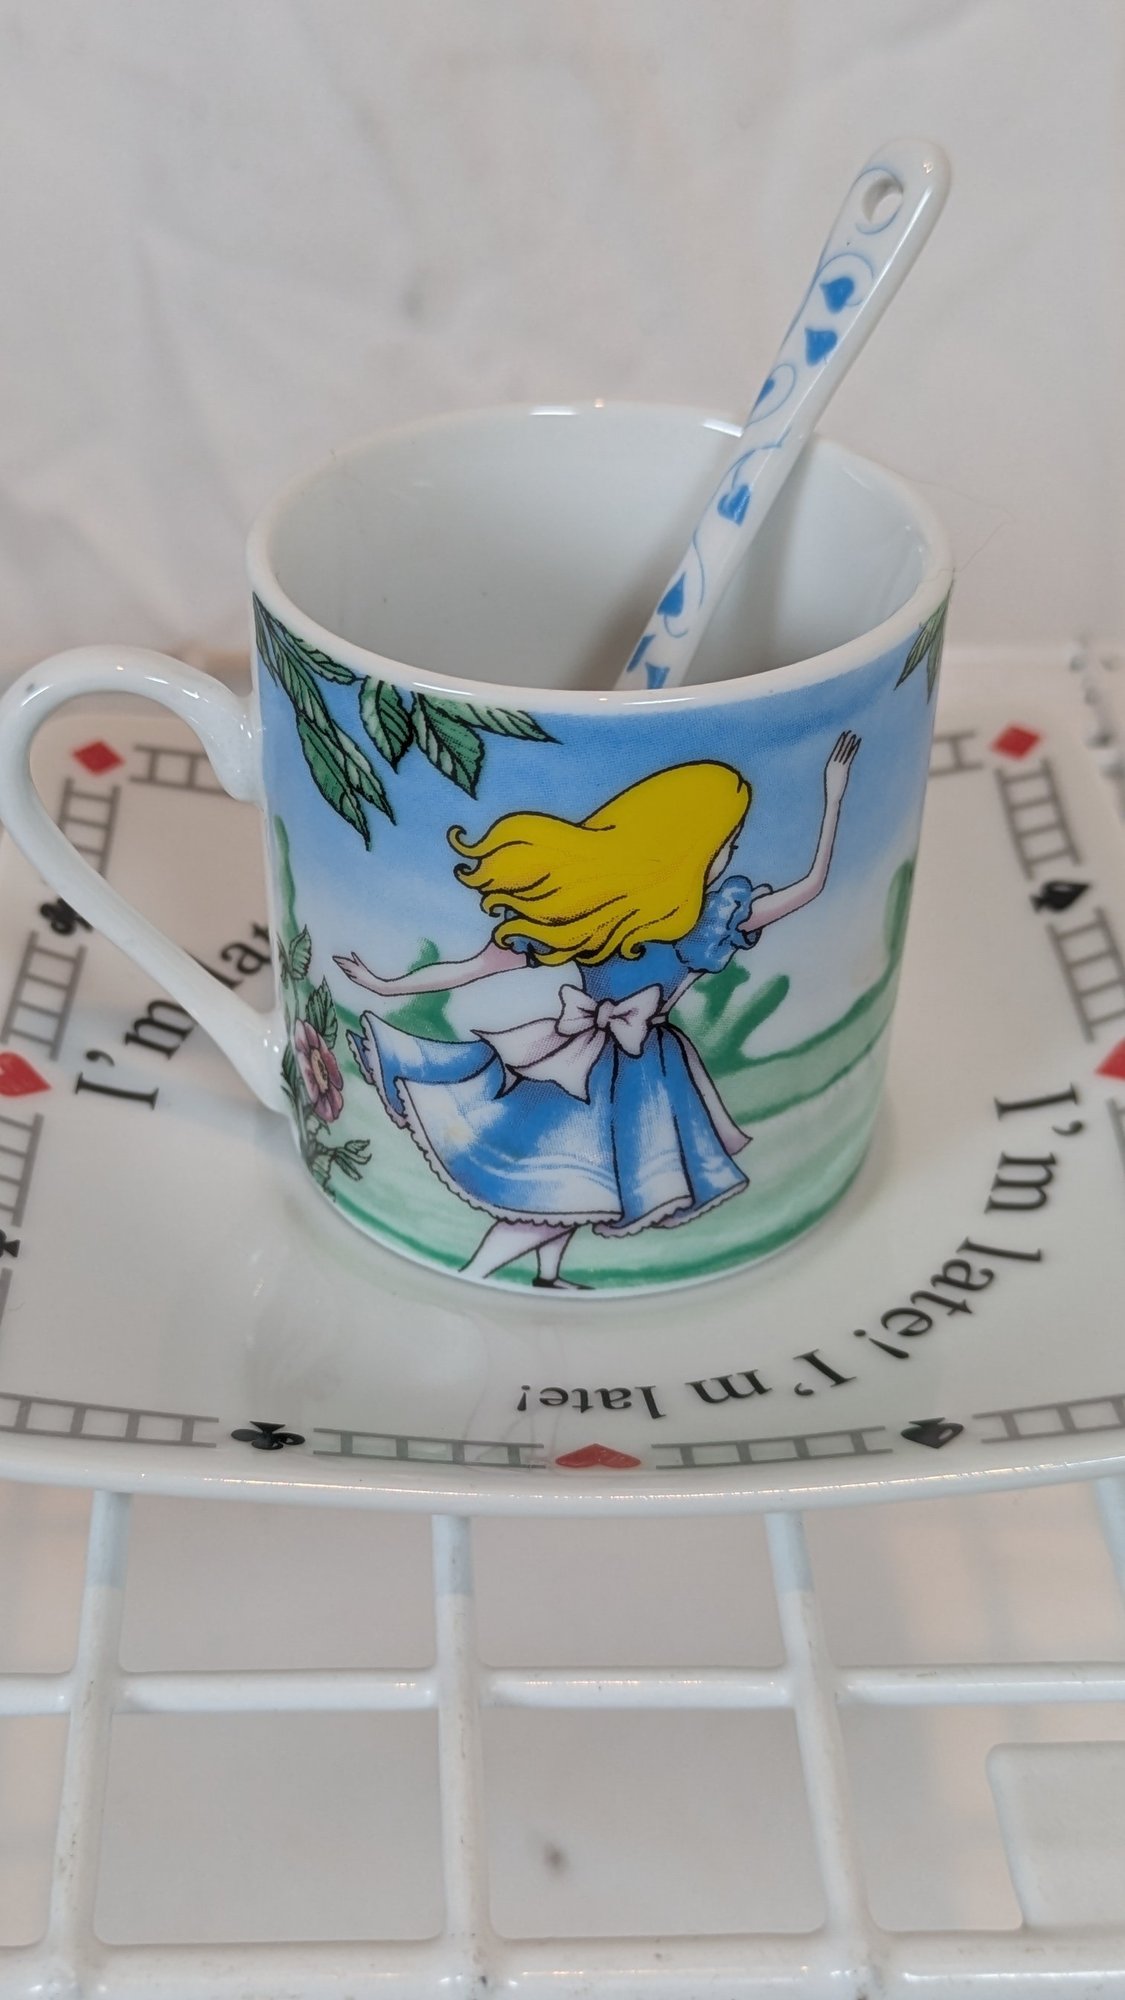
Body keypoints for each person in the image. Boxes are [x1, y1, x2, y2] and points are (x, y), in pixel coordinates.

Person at [335, 731, 859, 1286]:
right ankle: (480, 1270)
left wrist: (388, 985)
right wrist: (385, 984)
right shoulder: (647, 919)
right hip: (615, 1069)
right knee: (565, 1179)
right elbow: (810, 884)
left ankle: (545, 1277)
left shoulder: (674, 917)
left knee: (573, 1185)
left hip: (613, 1060)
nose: (729, 854)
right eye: (725, 841)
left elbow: (472, 969)